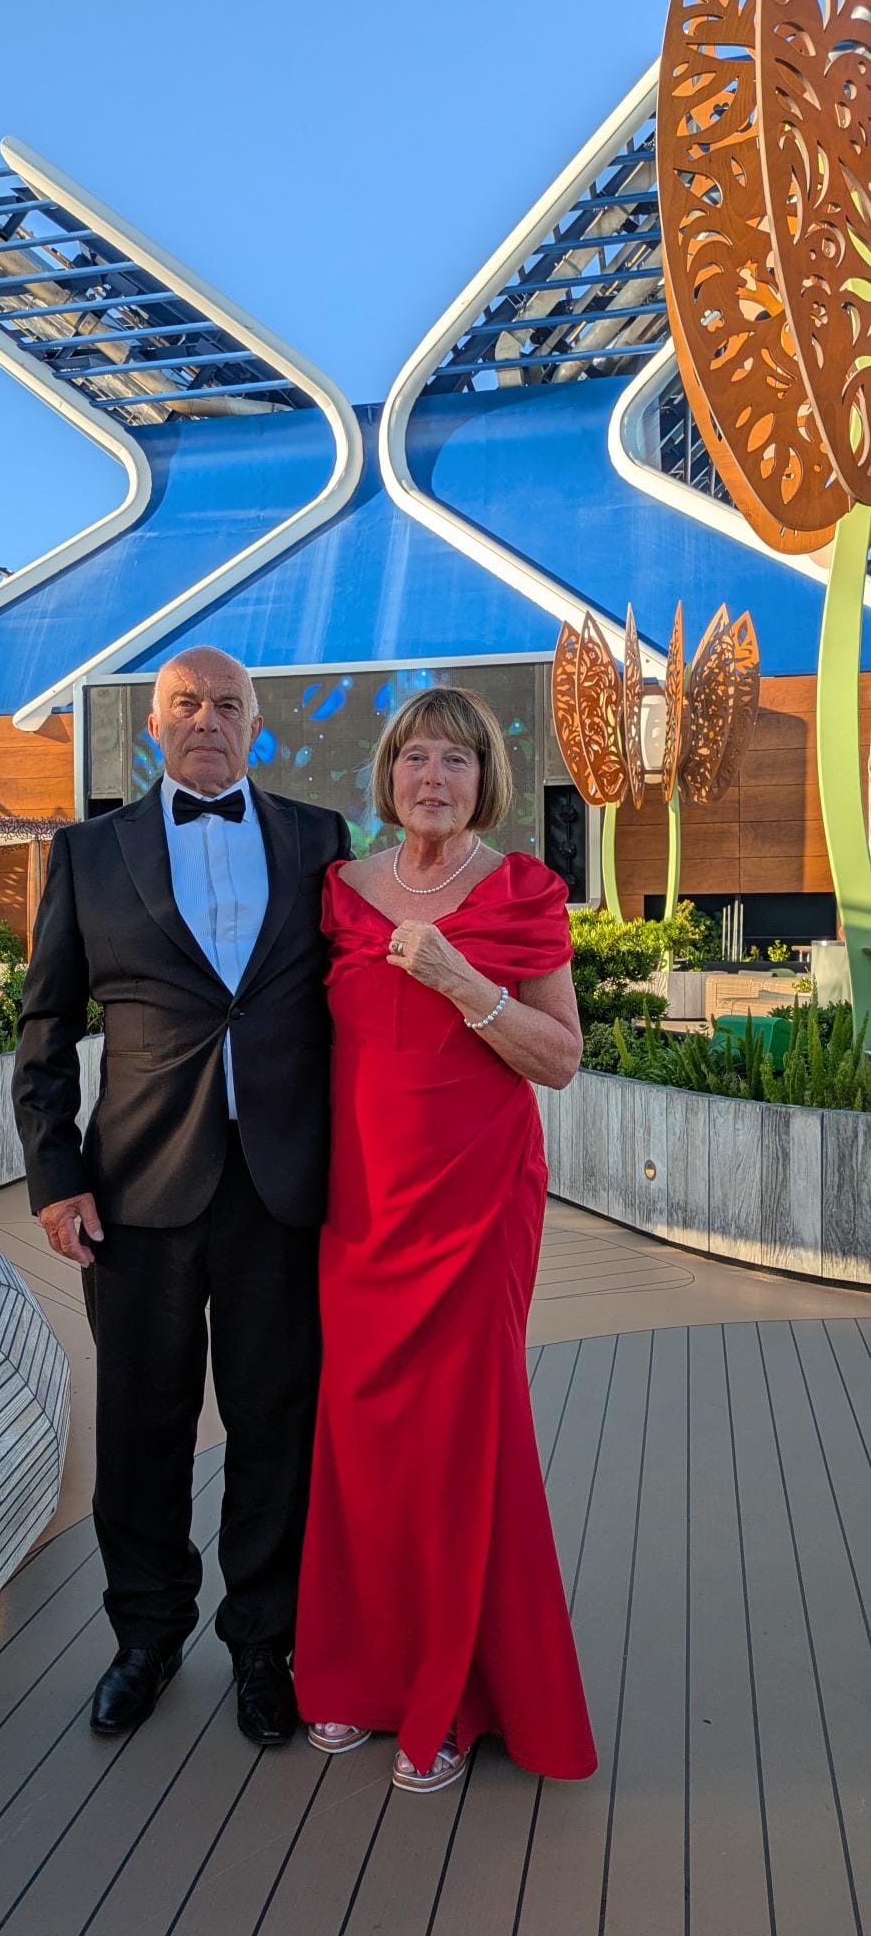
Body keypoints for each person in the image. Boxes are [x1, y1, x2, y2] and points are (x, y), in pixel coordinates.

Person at [12, 647, 350, 1747]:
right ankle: (146, 1637)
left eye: (228, 706)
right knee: (144, 1429)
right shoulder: (88, 852)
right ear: (153, 727)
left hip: (283, 1190)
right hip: (139, 1190)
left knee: (274, 1424)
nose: (208, 720)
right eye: (186, 706)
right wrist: (55, 1180)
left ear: (257, 724)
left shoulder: (318, 843)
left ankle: (265, 1643)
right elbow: (45, 1032)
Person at [292, 686, 597, 1793]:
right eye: (415, 757)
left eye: (456, 761)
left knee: (461, 1441)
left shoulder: (525, 892)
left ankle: (454, 1694)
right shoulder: (335, 893)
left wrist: (466, 983)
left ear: (485, 782)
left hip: (477, 1206)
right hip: (361, 1208)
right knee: (362, 1437)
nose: (433, 777)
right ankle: (358, 1673)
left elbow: (559, 1058)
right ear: (387, 775)